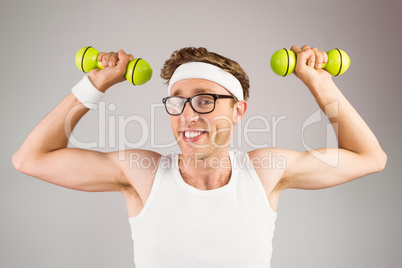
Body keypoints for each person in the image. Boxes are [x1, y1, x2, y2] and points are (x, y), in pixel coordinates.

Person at [12, 45, 387, 267]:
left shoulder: (264, 172)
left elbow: (370, 157)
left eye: (205, 100)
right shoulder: (142, 174)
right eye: (178, 101)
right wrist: (95, 83)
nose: (188, 115)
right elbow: (30, 159)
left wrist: (319, 81)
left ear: (238, 110)